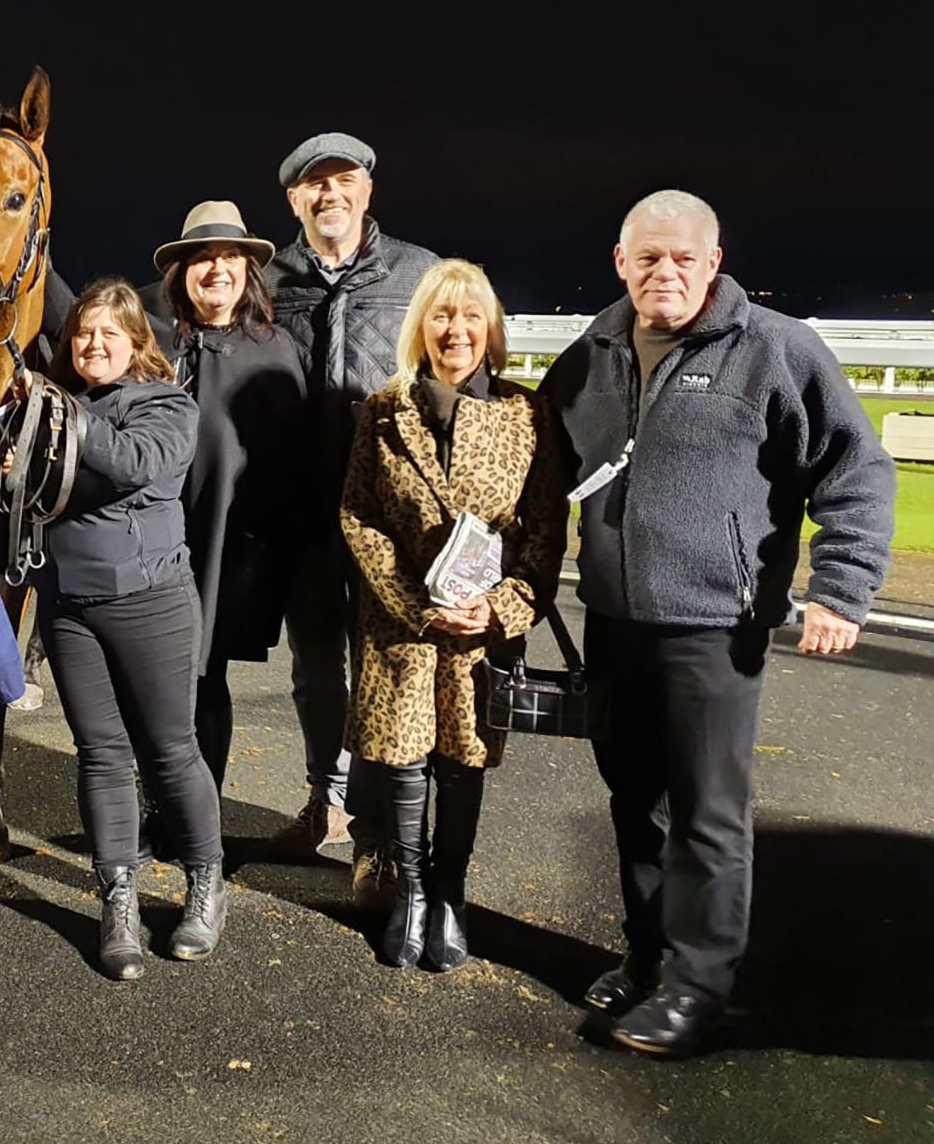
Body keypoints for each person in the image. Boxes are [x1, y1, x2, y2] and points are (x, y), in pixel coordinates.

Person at [540, 189, 894, 1057]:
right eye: (647, 257)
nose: (665, 272)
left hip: (715, 628)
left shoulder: (773, 349)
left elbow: (858, 469)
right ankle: (650, 954)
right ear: (620, 262)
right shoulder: (590, 352)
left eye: (683, 258)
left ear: (713, 262)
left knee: (707, 813)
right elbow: (541, 467)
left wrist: (843, 588)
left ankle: (698, 987)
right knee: (635, 801)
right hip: (614, 620)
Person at [338, 260, 567, 971]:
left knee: (463, 759)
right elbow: (359, 513)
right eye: (441, 315)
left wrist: (498, 610)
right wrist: (413, 602)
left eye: (470, 316)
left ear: (490, 329)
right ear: (422, 327)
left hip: (479, 629)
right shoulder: (384, 408)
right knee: (404, 759)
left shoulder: (526, 415)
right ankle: (409, 890)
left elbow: (545, 530)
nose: (455, 329)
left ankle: (450, 893)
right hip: (403, 623)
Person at [262, 132, 439, 903]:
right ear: (294, 200)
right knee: (313, 669)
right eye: (313, 185)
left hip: (386, 516)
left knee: (382, 672)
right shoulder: (268, 280)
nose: (329, 194)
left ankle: (376, 835)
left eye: (343, 181)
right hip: (300, 510)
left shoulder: (418, 272)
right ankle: (325, 799)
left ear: (368, 190)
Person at [30, 278, 222, 981]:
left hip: (153, 602)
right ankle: (119, 897)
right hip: (69, 606)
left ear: (138, 341)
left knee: (171, 752)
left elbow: (137, 462)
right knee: (101, 754)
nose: (93, 344)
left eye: (110, 332)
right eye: (83, 333)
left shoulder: (167, 406)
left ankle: (205, 883)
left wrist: (61, 416)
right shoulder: (58, 405)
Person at [152, 200, 307, 795]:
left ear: (247, 271)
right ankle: (153, 808)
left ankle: (199, 817)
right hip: (151, 547)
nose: (216, 270)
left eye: (229, 258)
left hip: (224, 550)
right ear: (181, 272)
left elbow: (288, 466)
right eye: (202, 258)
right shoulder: (153, 342)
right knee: (151, 682)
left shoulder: (272, 350)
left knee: (203, 679)